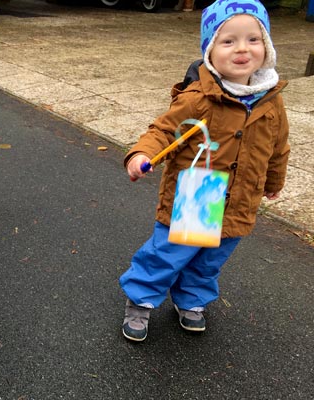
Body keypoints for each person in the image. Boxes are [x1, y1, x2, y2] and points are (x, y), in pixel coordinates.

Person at [119, 0, 289, 342]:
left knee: (210, 260)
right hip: (200, 193)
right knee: (167, 254)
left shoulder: (271, 99)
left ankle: (192, 300)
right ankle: (141, 298)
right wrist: (141, 154)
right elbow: (164, 130)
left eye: (253, 40)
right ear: (211, 49)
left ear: (266, 47)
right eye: (228, 41)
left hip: (241, 198)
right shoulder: (199, 96)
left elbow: (278, 147)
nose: (242, 49)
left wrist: (273, 180)